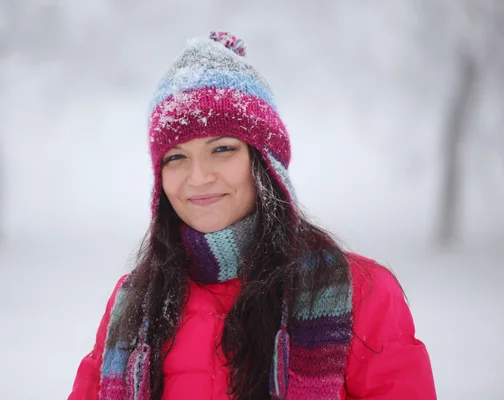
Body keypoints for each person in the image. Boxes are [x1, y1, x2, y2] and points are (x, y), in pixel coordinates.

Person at [68, 31, 437, 400]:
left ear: (266, 163)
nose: (198, 178)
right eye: (176, 157)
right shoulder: (134, 300)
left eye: (222, 149)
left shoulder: (360, 292)